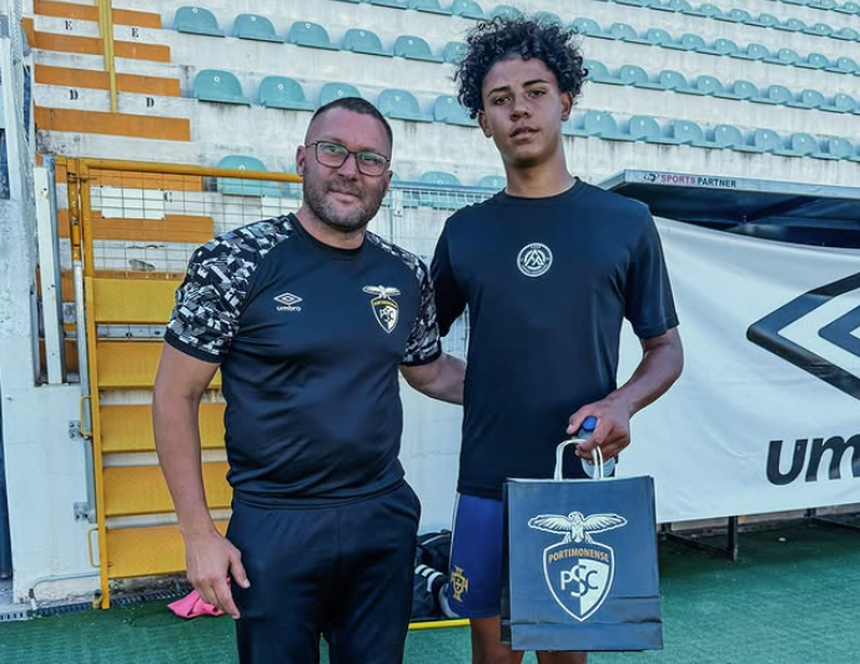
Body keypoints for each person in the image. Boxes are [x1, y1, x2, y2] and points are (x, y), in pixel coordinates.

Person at [153, 97, 465, 664]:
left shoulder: (405, 272)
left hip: (382, 514)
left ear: (387, 178)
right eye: (333, 151)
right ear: (301, 159)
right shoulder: (234, 261)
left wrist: (527, 389)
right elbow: (176, 395)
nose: (350, 169)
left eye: (370, 158)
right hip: (275, 524)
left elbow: (432, 371)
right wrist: (198, 534)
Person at [432, 17, 684, 664]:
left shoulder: (626, 223)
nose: (519, 108)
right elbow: (416, 349)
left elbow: (666, 349)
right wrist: (479, 387)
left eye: (535, 91)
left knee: (564, 651)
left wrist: (623, 404)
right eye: (500, 98)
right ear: (482, 120)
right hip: (486, 477)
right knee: (493, 653)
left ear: (566, 101)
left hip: (575, 477)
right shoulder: (464, 233)